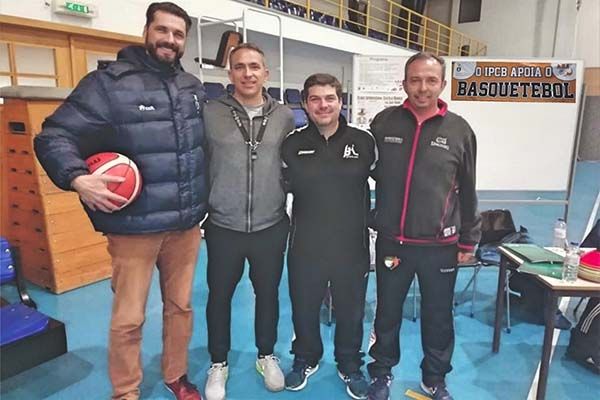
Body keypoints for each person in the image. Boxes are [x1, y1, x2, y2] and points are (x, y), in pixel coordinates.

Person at [33, 3, 206, 399]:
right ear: (147, 31)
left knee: (181, 308)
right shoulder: (108, 84)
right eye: (163, 31)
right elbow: (53, 135)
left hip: (185, 224)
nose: (170, 40)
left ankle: (175, 374)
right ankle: (126, 390)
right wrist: (77, 178)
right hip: (134, 228)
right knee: (129, 318)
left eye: (178, 35)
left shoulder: (191, 87)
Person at [366, 52, 481, 400]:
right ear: (404, 83)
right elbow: (361, 175)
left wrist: (468, 241)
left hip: (439, 248)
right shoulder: (384, 124)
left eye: (431, 80)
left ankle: (434, 379)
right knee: (386, 312)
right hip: (393, 244)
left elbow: (469, 189)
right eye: (415, 79)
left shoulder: (460, 131)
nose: (422, 87)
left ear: (443, 85)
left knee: (438, 318)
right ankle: (381, 374)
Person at [202, 43, 295, 400]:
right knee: (220, 297)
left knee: (268, 294)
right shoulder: (211, 113)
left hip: (270, 224)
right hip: (223, 225)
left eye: (255, 66)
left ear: (266, 73)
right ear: (230, 74)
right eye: (239, 67)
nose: (248, 73)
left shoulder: (285, 116)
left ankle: (266, 355)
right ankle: (218, 363)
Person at [280, 73, 376, 399]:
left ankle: (349, 364)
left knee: (351, 311)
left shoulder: (364, 143)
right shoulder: (292, 144)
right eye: (315, 99)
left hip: (352, 247)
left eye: (330, 98)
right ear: (305, 104)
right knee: (303, 308)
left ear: (341, 102)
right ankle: (305, 358)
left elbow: (391, 183)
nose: (323, 105)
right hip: (306, 245)